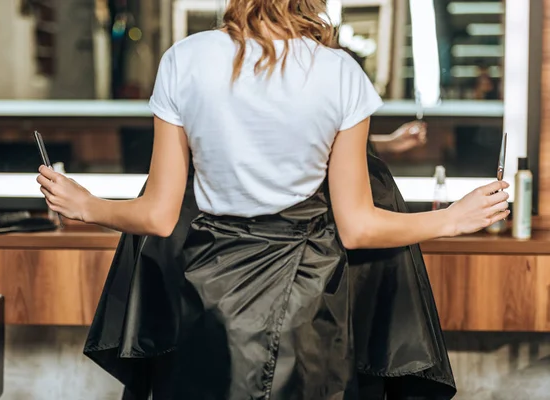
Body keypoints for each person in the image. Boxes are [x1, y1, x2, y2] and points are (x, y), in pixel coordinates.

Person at [37, 1, 510, 398]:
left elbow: (159, 216)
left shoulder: (185, 59)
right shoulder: (338, 72)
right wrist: (451, 218)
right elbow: (359, 227)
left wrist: (86, 204)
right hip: (308, 300)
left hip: (207, 295)